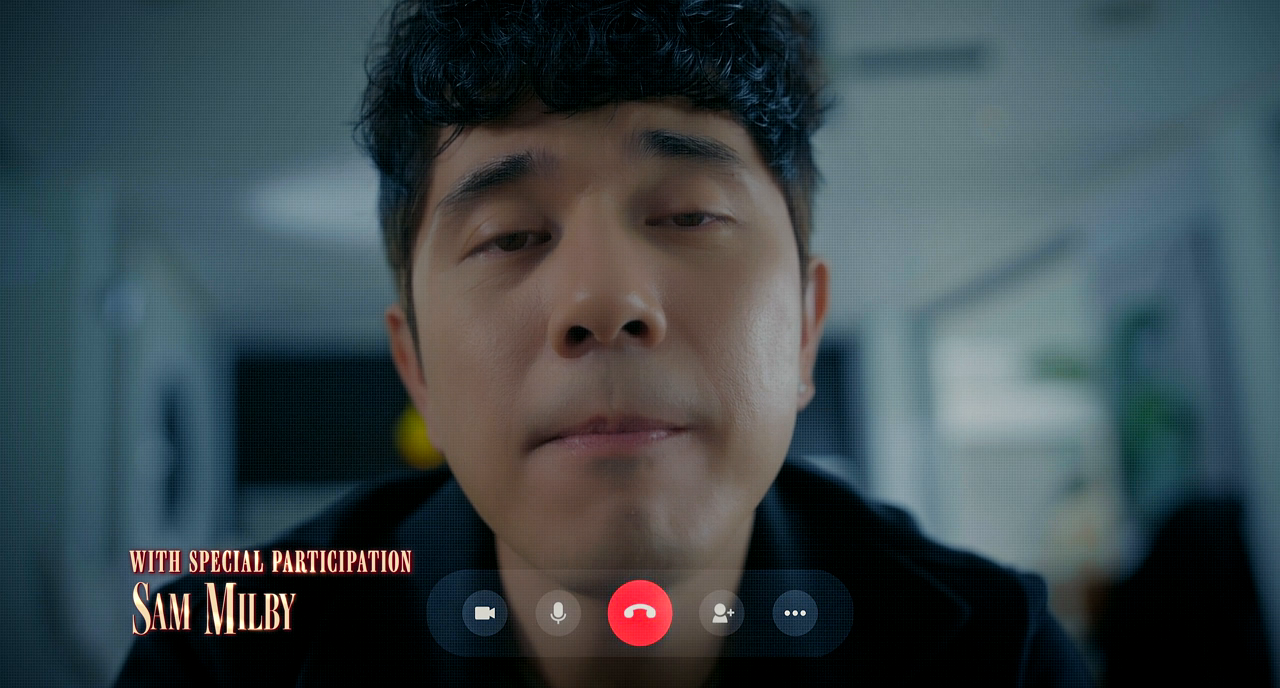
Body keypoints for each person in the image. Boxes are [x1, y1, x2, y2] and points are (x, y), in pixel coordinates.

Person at [115, 1, 1092, 685]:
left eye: (688, 215)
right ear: (415, 368)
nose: (604, 300)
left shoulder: (994, 654)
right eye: (510, 236)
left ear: (803, 324)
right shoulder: (218, 658)